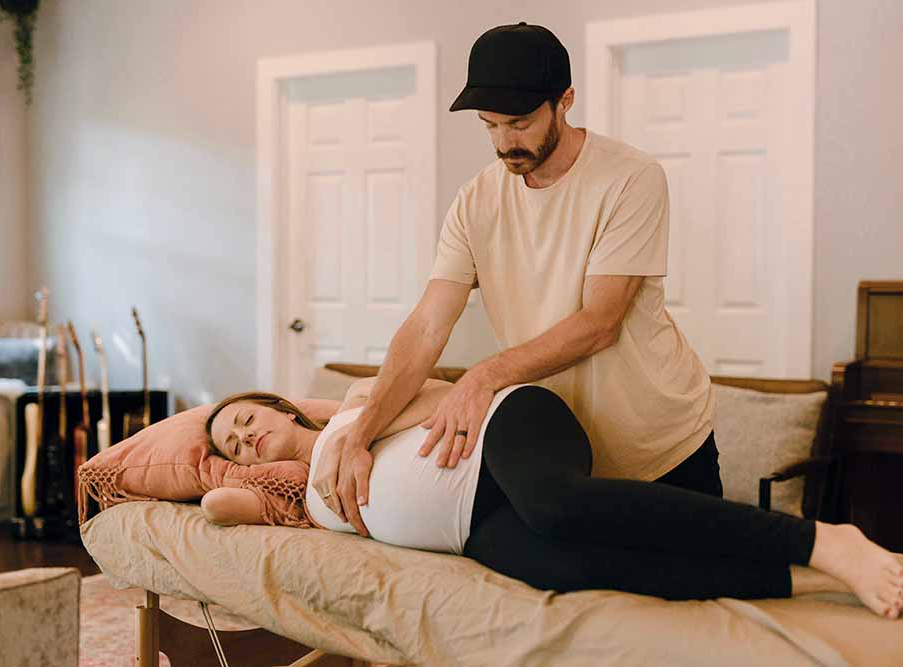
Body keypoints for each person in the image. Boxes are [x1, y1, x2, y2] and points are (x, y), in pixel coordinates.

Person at [314, 22, 720, 539]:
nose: (505, 143)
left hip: (663, 444)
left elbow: (600, 323)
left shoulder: (630, 179)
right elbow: (426, 327)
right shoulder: (476, 202)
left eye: (520, 123)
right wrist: (359, 436)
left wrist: (483, 376)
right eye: (490, 126)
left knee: (709, 600)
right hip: (567, 459)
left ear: (565, 100)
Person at [200, 378, 903, 619]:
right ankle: (795, 577)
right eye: (231, 443)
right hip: (474, 529)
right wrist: (212, 470)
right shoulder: (305, 499)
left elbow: (449, 398)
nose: (244, 438)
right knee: (561, 566)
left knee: (558, 505)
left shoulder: (357, 405)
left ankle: (821, 538)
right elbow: (218, 508)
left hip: (510, 431)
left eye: (245, 420)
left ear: (277, 405)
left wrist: (347, 421)